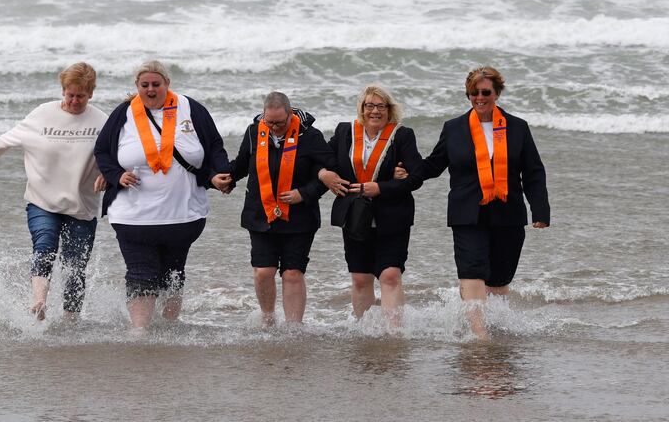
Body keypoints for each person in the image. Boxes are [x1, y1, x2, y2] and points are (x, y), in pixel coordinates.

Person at [397, 66, 549, 338]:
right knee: (472, 269)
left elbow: (533, 171)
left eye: (485, 92)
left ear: (497, 93)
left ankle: (492, 325)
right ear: (468, 95)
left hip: (508, 212)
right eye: (473, 93)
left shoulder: (518, 127)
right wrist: (407, 172)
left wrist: (540, 210)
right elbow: (434, 164)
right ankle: (479, 335)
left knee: (499, 279)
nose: (479, 98)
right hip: (467, 212)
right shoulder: (454, 128)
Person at [0, 62, 108, 321]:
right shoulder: (43, 115)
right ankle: (39, 301)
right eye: (70, 95)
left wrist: (108, 175)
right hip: (42, 199)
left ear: (91, 94)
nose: (75, 101)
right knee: (44, 245)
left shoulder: (101, 121)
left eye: (81, 96)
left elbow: (116, 154)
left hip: (82, 205)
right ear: (63, 91)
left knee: (76, 266)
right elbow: (9, 138)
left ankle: (70, 322)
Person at [94, 60, 230, 331]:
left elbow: (214, 146)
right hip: (133, 216)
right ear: (137, 87)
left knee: (173, 273)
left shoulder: (191, 109)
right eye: (145, 85)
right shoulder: (124, 113)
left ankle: (168, 333)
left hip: (184, 215)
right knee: (141, 273)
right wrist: (116, 175)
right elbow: (102, 152)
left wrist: (219, 174)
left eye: (156, 84)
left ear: (167, 84)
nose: (151, 90)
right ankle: (141, 334)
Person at [213, 92, 333, 326]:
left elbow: (329, 173)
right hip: (260, 214)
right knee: (263, 272)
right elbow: (242, 164)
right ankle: (267, 320)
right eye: (270, 122)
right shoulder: (254, 131)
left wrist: (304, 194)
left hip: (300, 217)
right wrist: (224, 180)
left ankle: (293, 327)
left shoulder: (310, 136)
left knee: (292, 273)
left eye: (280, 122)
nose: (275, 127)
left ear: (291, 114)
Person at [317, 86, 423, 328]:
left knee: (390, 275)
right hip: (355, 215)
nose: (375, 111)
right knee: (360, 278)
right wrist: (323, 174)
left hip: (393, 216)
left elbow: (416, 177)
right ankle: (365, 332)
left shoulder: (402, 135)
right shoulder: (345, 132)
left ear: (389, 110)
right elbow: (323, 159)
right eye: (369, 106)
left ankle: (393, 333)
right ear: (362, 109)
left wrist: (382, 187)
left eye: (380, 106)